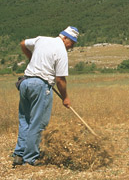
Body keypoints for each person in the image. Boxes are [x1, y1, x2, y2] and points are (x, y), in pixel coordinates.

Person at [12, 26, 79, 166]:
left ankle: (19, 154)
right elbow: (60, 79)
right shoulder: (61, 51)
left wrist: (31, 59)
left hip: (26, 82)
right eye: (71, 43)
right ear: (65, 37)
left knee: (25, 120)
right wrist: (65, 97)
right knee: (38, 122)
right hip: (40, 86)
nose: (70, 47)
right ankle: (30, 159)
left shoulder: (41, 40)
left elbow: (23, 43)